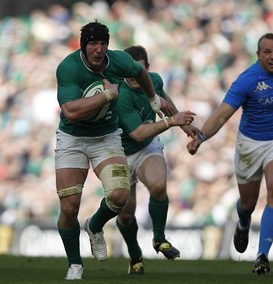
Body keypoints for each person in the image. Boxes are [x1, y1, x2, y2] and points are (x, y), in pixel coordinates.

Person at [55, 20, 172, 280]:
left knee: (120, 197)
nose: (98, 49)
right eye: (93, 44)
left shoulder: (118, 61)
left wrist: (153, 98)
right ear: (83, 46)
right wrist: (107, 96)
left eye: (102, 44)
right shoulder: (68, 67)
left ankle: (94, 226)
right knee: (69, 206)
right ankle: (75, 264)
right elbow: (71, 112)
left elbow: (142, 73)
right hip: (72, 138)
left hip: (106, 136)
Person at [187, 33, 273, 275]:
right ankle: (243, 223)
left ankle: (262, 256)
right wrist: (201, 136)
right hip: (249, 145)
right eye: (267, 52)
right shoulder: (247, 80)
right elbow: (223, 114)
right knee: (248, 203)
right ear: (258, 55)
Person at [116, 45, 198, 274]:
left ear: (147, 69)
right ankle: (134, 255)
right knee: (126, 212)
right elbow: (137, 133)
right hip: (118, 153)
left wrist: (185, 125)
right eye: (129, 71)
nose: (133, 76)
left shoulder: (154, 80)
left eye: (138, 70)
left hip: (145, 147)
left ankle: (159, 238)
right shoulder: (121, 94)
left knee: (159, 185)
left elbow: (165, 100)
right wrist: (173, 122)